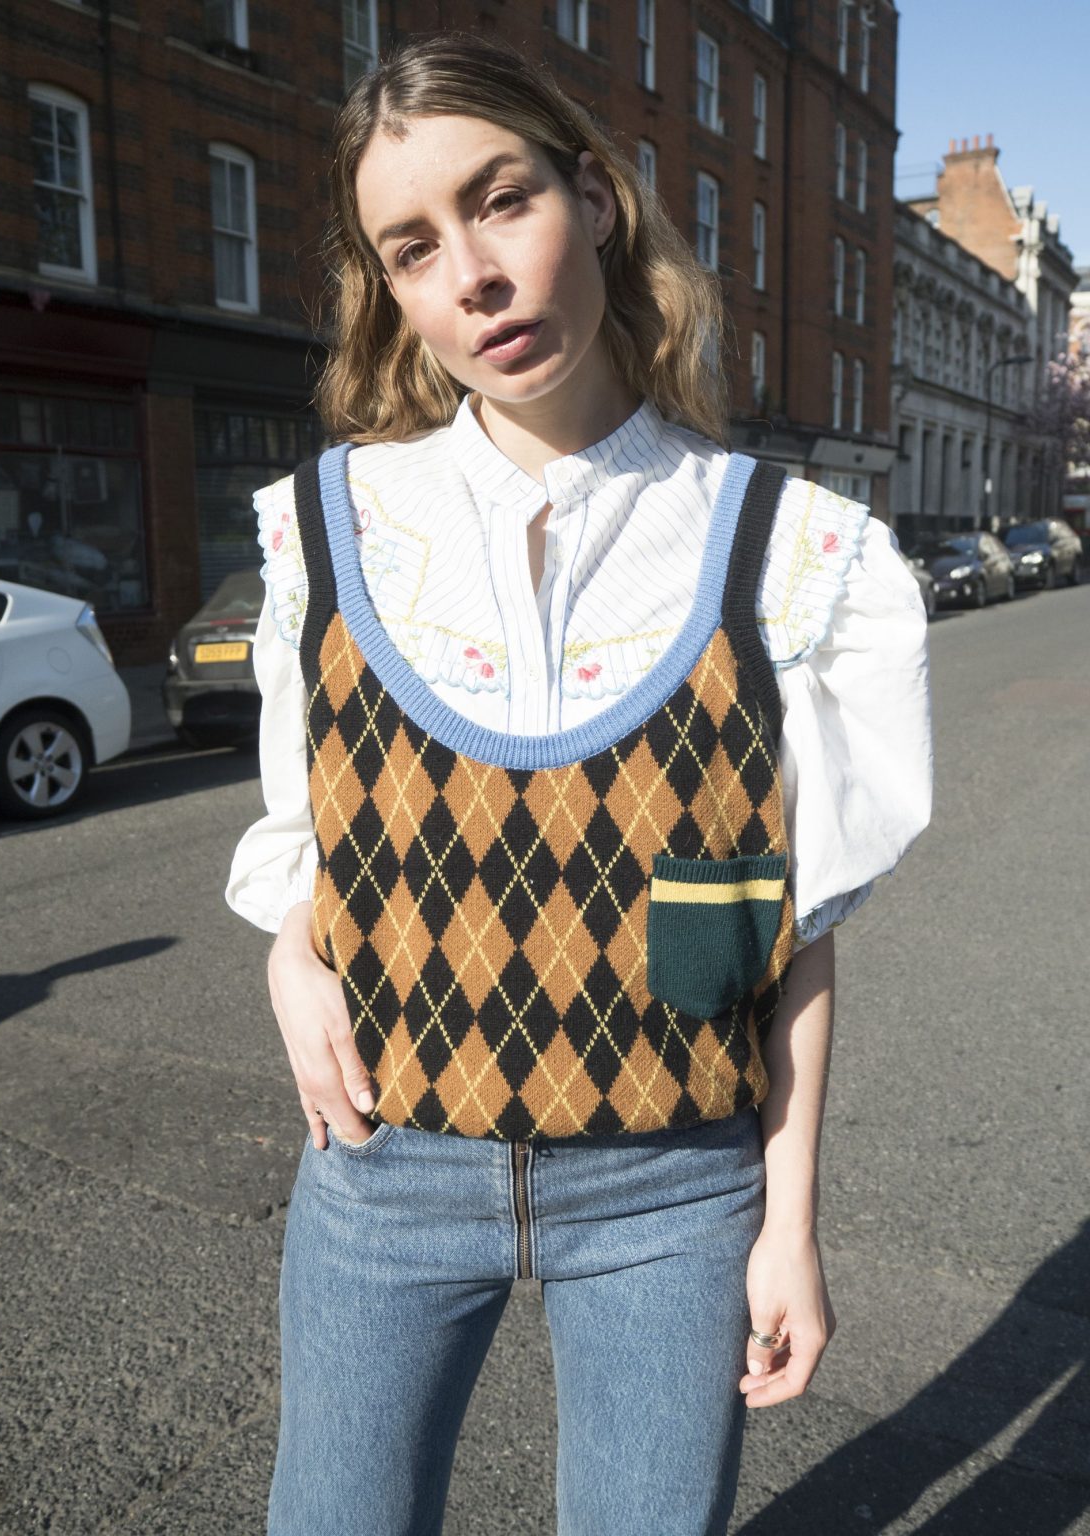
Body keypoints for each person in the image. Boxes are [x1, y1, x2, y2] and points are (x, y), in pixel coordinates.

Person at [226, 32, 932, 1536]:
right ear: (392, 291)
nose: (474, 275)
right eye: (414, 247)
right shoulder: (331, 531)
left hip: (673, 1196)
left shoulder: (786, 554)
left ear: (595, 200)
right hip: (383, 1176)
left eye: (502, 200)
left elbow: (794, 932)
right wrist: (293, 953)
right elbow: (308, 834)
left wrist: (789, 1227)